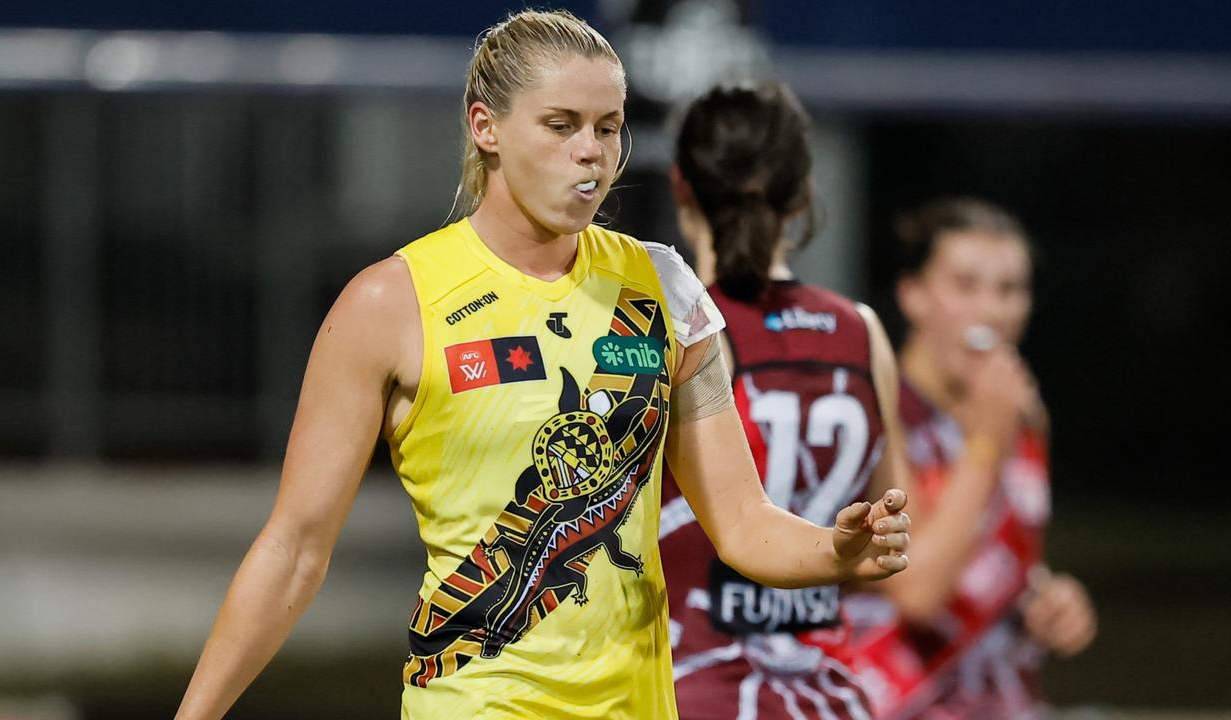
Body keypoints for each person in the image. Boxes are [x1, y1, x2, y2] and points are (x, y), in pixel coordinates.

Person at [174, 11, 910, 720]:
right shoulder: (389, 304)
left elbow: (745, 525)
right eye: (561, 126)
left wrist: (838, 550)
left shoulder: (663, 288)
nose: (590, 151)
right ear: (484, 126)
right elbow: (295, 549)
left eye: (609, 128)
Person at [658, 81, 921, 720]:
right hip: (821, 696)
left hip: (683, 689)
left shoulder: (666, 327)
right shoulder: (862, 331)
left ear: (681, 186)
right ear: (802, 193)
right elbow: (891, 550)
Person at [843, 198, 1096, 719]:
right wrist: (986, 444)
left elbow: (1001, 561)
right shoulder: (875, 409)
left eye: (1009, 290)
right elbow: (917, 591)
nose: (991, 311)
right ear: (912, 294)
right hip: (893, 702)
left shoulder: (1020, 413)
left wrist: (1046, 601)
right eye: (965, 286)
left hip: (1004, 700)